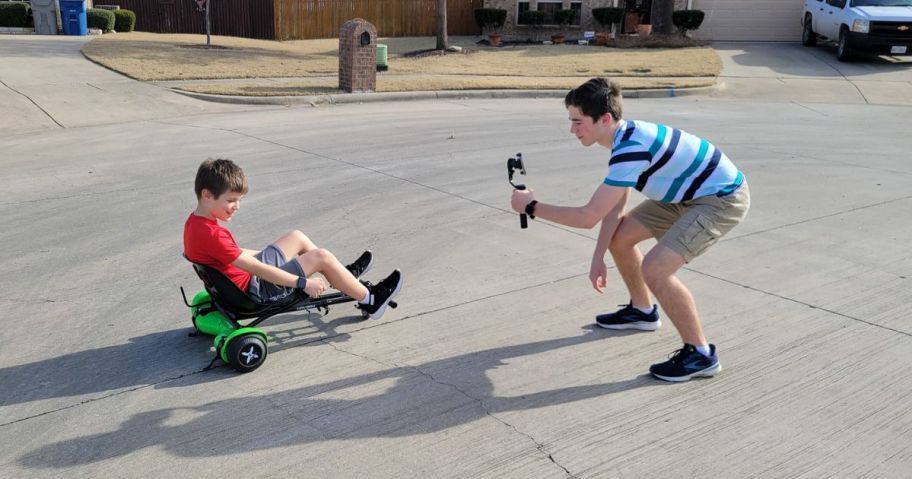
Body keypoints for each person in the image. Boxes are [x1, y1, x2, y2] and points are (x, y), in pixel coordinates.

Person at [510, 78, 750, 382]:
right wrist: (598, 257)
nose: (573, 129)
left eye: (578, 121)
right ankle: (642, 311)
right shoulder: (624, 139)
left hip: (720, 200)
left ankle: (700, 355)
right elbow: (614, 210)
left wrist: (531, 207)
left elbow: (587, 216)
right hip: (684, 196)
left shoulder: (630, 148)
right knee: (620, 238)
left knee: (656, 270)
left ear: (605, 119)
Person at [184, 158, 402, 320]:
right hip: (256, 291)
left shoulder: (195, 224)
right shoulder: (215, 235)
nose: (237, 207)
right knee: (321, 257)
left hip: (244, 281)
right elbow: (258, 269)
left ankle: (341, 276)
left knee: (296, 237)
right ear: (207, 194)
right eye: (231, 200)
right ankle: (370, 300)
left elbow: (238, 254)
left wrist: (268, 255)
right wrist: (303, 282)